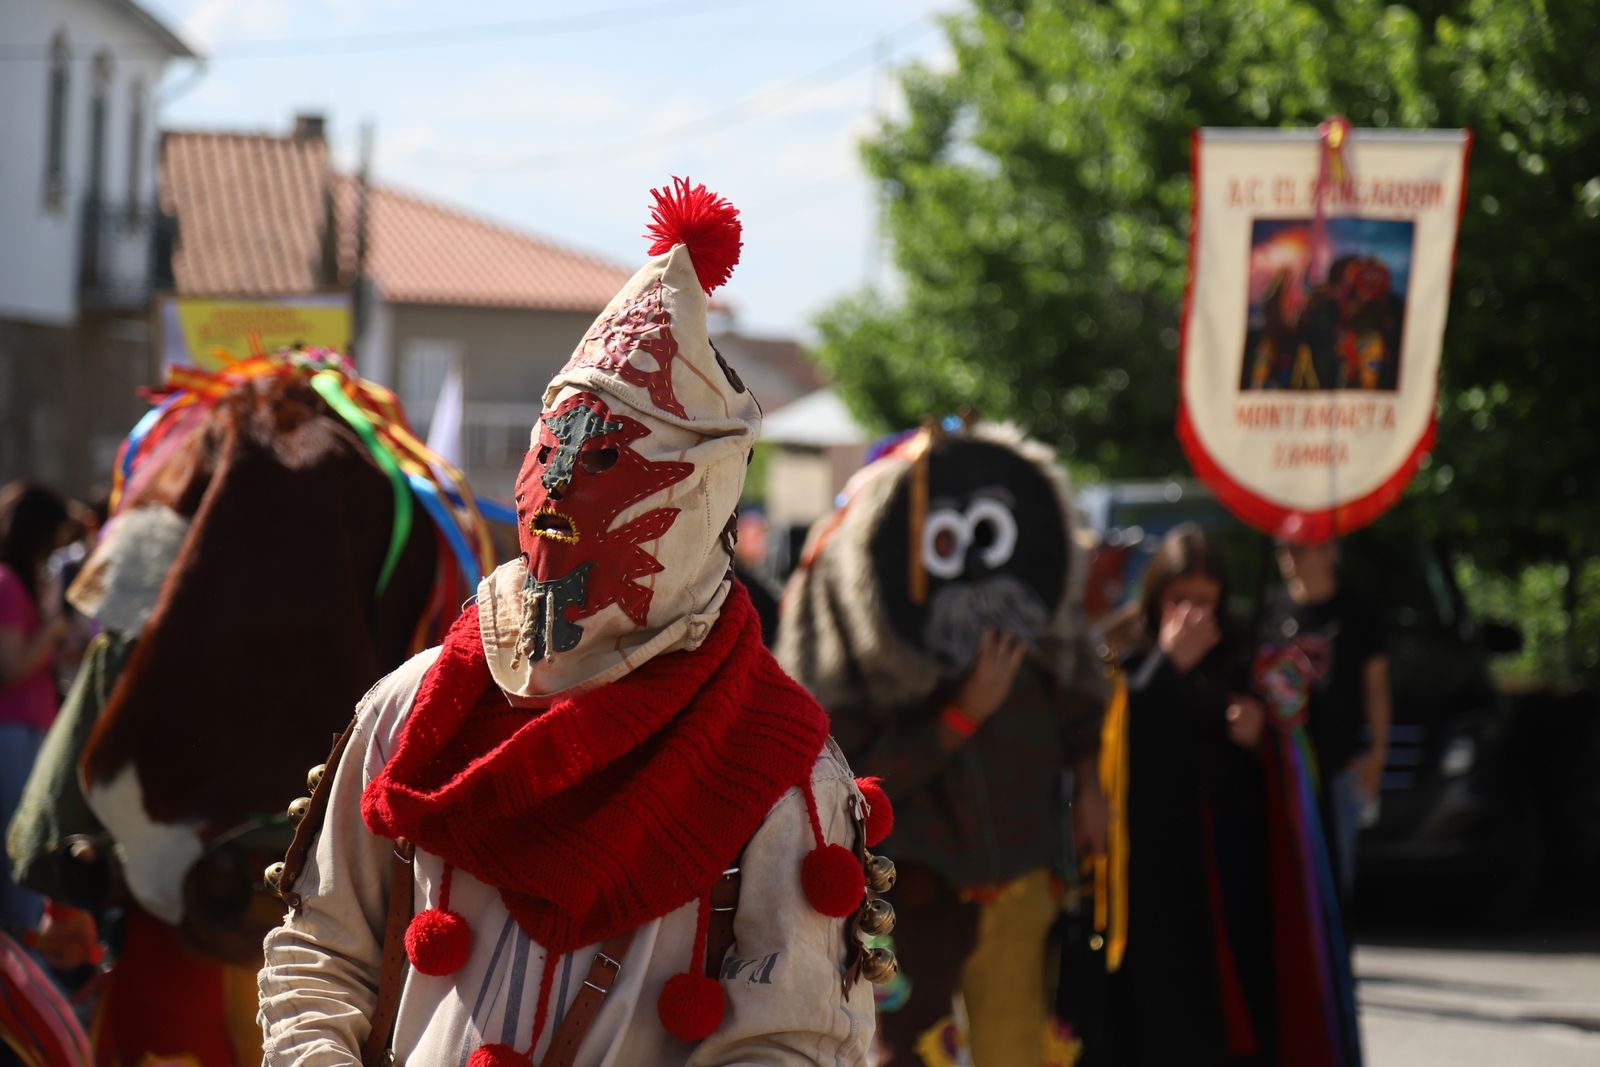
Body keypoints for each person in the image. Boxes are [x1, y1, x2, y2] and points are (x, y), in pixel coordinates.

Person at [258, 179, 886, 1066]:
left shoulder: (777, 765)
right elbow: (319, 951)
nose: (554, 489)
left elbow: (792, 1038)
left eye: (601, 460)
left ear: (700, 491)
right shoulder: (411, 706)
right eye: (549, 449)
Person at [776, 422, 1106, 1066]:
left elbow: (1077, 699)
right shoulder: (861, 646)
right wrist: (960, 716)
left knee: (1017, 1048)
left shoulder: (1027, 619)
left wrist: (1091, 783)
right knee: (912, 1053)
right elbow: (851, 780)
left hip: (1022, 872)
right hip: (919, 889)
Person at [1089, 524, 1273, 1066]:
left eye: (1204, 601)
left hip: (1222, 856)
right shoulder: (1121, 648)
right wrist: (1168, 665)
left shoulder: (1242, 649)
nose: (1192, 614)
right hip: (1146, 866)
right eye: (1179, 600)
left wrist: (1259, 733)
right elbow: (1118, 746)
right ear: (1155, 596)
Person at [1260, 536, 1390, 895]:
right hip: (1283, 769)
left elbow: (1376, 689)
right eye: (1283, 548)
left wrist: (1377, 755)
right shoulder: (1270, 609)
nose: (1289, 557)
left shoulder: (1357, 611)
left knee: (1334, 885)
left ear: (1330, 550)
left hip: (1340, 767)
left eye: (1300, 547)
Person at [0, 481, 71, 933]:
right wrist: (54, 629)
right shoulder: (6, 583)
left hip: (27, 730)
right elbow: (11, 666)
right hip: (13, 732)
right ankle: (20, 939)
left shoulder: (17, 583)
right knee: (16, 842)